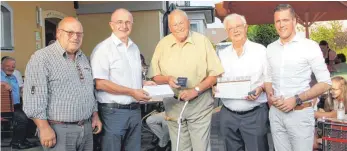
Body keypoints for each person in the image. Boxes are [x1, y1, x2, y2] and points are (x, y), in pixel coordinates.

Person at [148, 9, 224, 151]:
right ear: (170, 28)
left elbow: (215, 75)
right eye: (174, 25)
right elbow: (154, 76)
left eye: (181, 23)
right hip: (173, 105)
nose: (179, 27)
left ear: (188, 22)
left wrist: (195, 90)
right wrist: (167, 79)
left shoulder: (202, 42)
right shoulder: (162, 45)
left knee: (201, 147)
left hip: (199, 103)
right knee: (180, 148)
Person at [23, 17, 102, 151]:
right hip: (58, 130)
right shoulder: (42, 58)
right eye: (70, 32)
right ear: (58, 33)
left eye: (79, 34)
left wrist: (95, 116)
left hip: (87, 128)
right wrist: (43, 127)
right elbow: (34, 99)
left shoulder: (83, 58)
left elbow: (90, 90)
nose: (75, 37)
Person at [264, 4, 331, 151]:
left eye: (285, 20)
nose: (281, 25)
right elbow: (268, 78)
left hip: (300, 115)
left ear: (294, 21)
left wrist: (296, 99)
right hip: (276, 114)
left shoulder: (309, 46)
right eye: (277, 21)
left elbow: (326, 83)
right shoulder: (270, 48)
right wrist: (270, 95)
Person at [90, 8, 155, 151]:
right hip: (113, 113)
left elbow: (128, 77)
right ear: (111, 25)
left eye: (127, 22)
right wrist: (132, 92)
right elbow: (100, 83)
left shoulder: (134, 49)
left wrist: (143, 84)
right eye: (119, 22)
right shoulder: (103, 49)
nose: (124, 26)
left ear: (132, 24)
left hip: (135, 111)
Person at [217, 13, 269, 151]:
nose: (235, 30)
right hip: (228, 115)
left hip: (255, 114)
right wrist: (214, 87)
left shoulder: (260, 51)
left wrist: (261, 88)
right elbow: (216, 79)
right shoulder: (222, 54)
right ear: (227, 32)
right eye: (231, 28)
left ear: (246, 27)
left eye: (238, 26)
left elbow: (270, 78)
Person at [1, 57, 36, 149]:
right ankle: (16, 143)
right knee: (22, 119)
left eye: (13, 66)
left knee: (31, 115)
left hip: (16, 105)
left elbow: (19, 90)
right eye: (8, 66)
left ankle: (23, 139)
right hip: (4, 108)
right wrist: (3, 84)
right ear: (2, 65)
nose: (11, 68)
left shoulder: (13, 77)